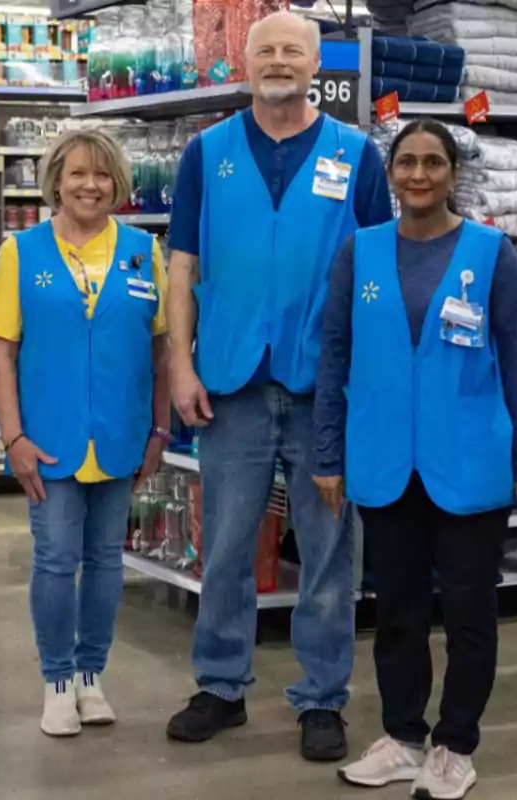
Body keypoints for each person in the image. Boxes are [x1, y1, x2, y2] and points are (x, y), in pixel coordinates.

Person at [164, 10, 395, 760]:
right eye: (265, 49)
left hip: (325, 390)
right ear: (245, 60)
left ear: (316, 62)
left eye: (293, 49)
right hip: (229, 382)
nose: (278, 60)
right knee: (226, 545)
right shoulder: (207, 152)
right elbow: (182, 265)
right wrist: (178, 360)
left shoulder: (357, 156)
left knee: (329, 553)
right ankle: (220, 686)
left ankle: (322, 700)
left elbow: (379, 270)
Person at [318, 119, 517, 800]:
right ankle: (403, 735)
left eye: (433, 163)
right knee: (398, 612)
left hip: (470, 463)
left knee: (471, 612)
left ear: (453, 173)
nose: (419, 175)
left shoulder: (491, 253)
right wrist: (328, 453)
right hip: (385, 463)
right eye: (407, 163)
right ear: (390, 174)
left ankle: (456, 744)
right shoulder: (358, 253)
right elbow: (335, 359)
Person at [0, 129, 170, 737]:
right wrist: (13, 437)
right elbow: (1, 352)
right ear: (55, 181)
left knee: (107, 563)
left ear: (118, 185)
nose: (91, 185)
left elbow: (162, 349)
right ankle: (57, 680)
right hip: (50, 438)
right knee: (56, 560)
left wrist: (159, 430)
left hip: (120, 435)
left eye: (104, 175)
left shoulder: (145, 251)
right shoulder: (21, 251)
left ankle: (92, 675)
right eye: (78, 174)